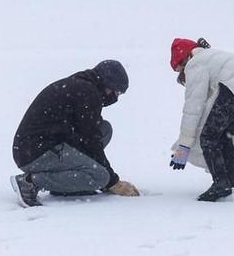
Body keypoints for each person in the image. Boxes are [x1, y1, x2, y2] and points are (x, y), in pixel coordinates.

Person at [11, 60, 140, 206]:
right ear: (107, 84)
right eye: (116, 92)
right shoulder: (88, 93)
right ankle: (30, 182)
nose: (115, 97)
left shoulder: (82, 86)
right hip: (35, 153)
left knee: (104, 129)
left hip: (36, 146)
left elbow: (90, 134)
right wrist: (112, 181)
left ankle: (67, 185)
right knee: (99, 177)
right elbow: (91, 141)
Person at [168, 38, 234, 202]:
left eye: (179, 69)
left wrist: (183, 147)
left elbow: (193, 108)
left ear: (185, 60)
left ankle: (221, 184)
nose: (182, 73)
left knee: (209, 137)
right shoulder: (210, 57)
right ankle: (229, 183)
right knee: (223, 137)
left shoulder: (196, 63)